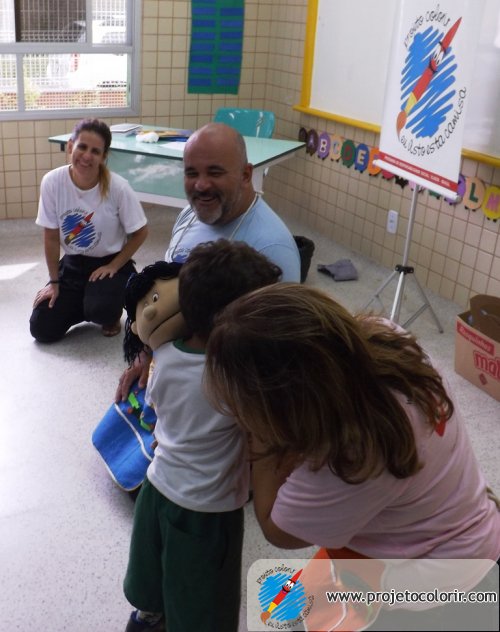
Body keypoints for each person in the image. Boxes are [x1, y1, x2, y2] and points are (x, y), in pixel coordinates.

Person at [205, 284, 500, 556]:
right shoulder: (388, 337)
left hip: (442, 571)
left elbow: (277, 531)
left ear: (286, 405)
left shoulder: (354, 456)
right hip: (465, 514)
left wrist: (264, 439)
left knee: (283, 597)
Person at [122, 239, 282, 632]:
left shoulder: (164, 357)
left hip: (157, 488)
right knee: (203, 595)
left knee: (153, 566)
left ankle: (148, 618)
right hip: (207, 510)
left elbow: (159, 408)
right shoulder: (237, 378)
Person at [115, 121, 300, 401]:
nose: (200, 185)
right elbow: (164, 292)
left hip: (223, 392)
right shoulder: (190, 216)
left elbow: (276, 354)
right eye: (192, 173)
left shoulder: (272, 248)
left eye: (215, 172)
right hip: (170, 372)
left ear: (246, 174)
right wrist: (146, 351)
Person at [30, 118, 148, 342]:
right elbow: (51, 237)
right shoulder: (52, 182)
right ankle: (85, 302)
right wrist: (54, 283)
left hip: (109, 263)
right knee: (41, 328)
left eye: (95, 151)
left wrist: (114, 265)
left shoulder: (118, 187)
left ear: (104, 157)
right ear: (70, 146)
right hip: (73, 263)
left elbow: (141, 232)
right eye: (82, 147)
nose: (86, 156)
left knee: (102, 311)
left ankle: (105, 306)